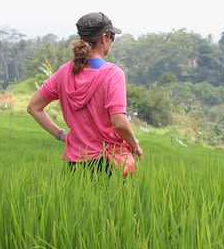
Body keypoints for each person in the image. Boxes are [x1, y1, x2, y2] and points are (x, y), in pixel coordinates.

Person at [27, 12, 142, 176]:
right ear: (104, 38)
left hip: (74, 165)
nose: (111, 42)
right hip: (108, 164)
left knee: (76, 202)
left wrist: (62, 136)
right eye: (112, 38)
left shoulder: (64, 72)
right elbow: (119, 123)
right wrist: (134, 144)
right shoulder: (112, 74)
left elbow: (33, 107)